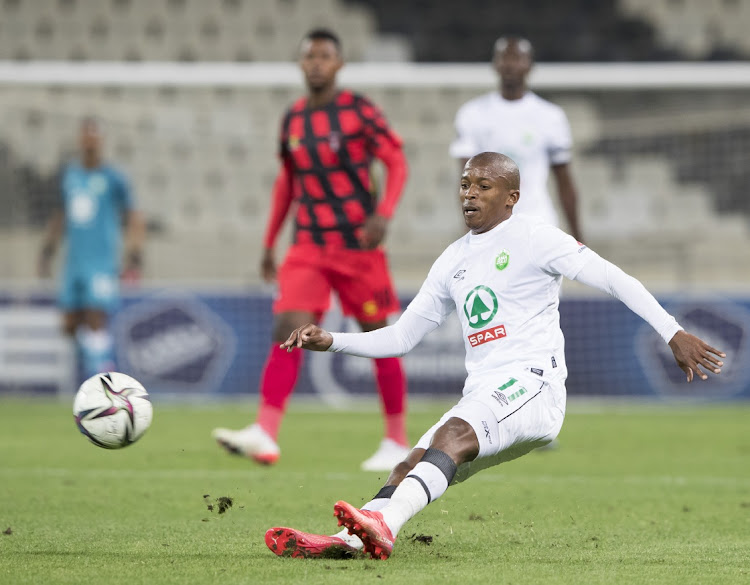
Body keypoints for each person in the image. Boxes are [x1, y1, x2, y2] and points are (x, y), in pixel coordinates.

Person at [263, 152, 725, 560]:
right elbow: (403, 337)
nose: (470, 194)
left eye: (484, 186)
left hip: (534, 386)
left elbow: (612, 278)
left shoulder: (536, 237)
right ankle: (348, 542)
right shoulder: (452, 260)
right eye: (465, 184)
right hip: (485, 392)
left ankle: (384, 528)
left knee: (454, 432)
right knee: (409, 465)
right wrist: (333, 340)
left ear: (511, 197)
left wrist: (673, 331)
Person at [212, 28, 410, 471]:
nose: (317, 62)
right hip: (308, 246)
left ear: (338, 64)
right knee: (288, 325)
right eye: (310, 56)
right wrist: (268, 241)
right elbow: (289, 183)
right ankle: (265, 432)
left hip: (358, 246)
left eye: (325, 56)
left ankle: (396, 440)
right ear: (301, 64)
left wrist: (384, 213)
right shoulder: (293, 120)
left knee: (379, 337)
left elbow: (397, 160)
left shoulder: (359, 111)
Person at [38, 117, 145, 380]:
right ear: (80, 139)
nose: (90, 141)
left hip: (102, 260)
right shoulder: (70, 176)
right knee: (69, 325)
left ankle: (103, 379)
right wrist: (47, 250)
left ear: (102, 140)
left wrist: (135, 253)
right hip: (73, 261)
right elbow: (60, 214)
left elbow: (133, 215)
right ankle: (96, 365)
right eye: (86, 136)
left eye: (95, 136)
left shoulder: (113, 177)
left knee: (97, 317)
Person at [450, 36, 583, 242]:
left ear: (529, 66)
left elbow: (564, 181)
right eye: (505, 58)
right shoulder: (472, 114)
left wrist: (577, 235)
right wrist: (469, 230)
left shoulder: (550, 116)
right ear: (495, 65)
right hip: (491, 226)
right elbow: (466, 181)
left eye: (518, 58)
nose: (511, 64)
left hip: (539, 223)